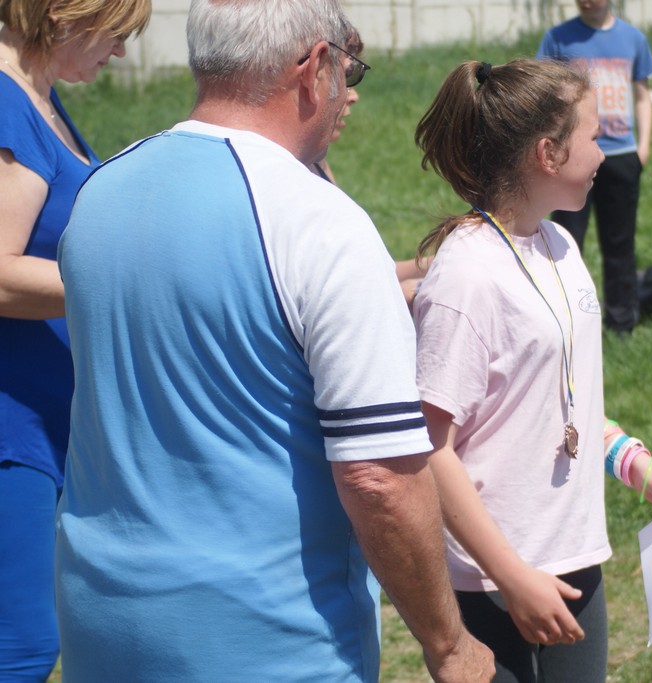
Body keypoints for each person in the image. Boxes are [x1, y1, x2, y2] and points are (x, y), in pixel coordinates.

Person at [53, 1, 493, 680]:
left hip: (102, 621)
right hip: (269, 640)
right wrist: (449, 644)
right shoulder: (320, 224)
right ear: (315, 68)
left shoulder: (100, 191)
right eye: (349, 70)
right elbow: (377, 477)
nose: (347, 89)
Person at [413, 58, 652, 683]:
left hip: (575, 557)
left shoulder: (560, 245)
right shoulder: (466, 277)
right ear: (548, 153)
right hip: (490, 582)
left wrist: (634, 464)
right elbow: (431, 448)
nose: (604, 151)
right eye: (594, 135)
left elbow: (562, 402)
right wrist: (511, 576)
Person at [0, 0, 150, 678]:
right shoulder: (9, 105)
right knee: (22, 646)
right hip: (13, 427)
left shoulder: (39, 96)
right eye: (114, 33)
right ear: (65, 13)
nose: (118, 52)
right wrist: (136, 281)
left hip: (44, 418)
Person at [536, 0, 652, 333]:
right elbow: (542, 97)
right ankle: (564, 316)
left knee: (620, 243)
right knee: (565, 241)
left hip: (621, 155)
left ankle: (621, 320)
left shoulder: (633, 38)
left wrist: (643, 146)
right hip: (572, 158)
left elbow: (643, 96)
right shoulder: (557, 38)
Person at [306, 28, 429, 304]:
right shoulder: (295, 177)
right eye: (347, 77)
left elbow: (376, 272)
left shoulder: (316, 162)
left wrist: (441, 262)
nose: (353, 96)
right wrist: (408, 293)